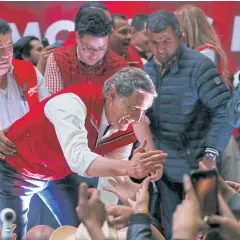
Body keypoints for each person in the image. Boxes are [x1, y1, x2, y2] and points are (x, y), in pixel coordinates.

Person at [0, 67, 167, 239]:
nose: (138, 118)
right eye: (134, 108)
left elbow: (111, 180)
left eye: (143, 111)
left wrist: (104, 227)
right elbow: (78, 159)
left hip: (58, 173)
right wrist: (128, 167)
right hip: (17, 169)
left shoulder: (125, 129)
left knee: (88, 229)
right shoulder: (71, 103)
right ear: (112, 95)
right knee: (12, 234)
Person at [132, 10, 233, 239]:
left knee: (210, 230)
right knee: (175, 233)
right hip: (167, 173)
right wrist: (150, 154)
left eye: (166, 41)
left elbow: (224, 111)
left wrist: (210, 153)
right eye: (154, 42)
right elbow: (140, 117)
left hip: (201, 168)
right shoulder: (147, 72)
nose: (160, 49)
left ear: (180, 36)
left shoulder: (200, 67)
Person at [45, 8, 127, 94]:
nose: (95, 55)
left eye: (102, 48)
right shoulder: (58, 59)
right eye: (89, 48)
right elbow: (54, 103)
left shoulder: (120, 66)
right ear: (77, 38)